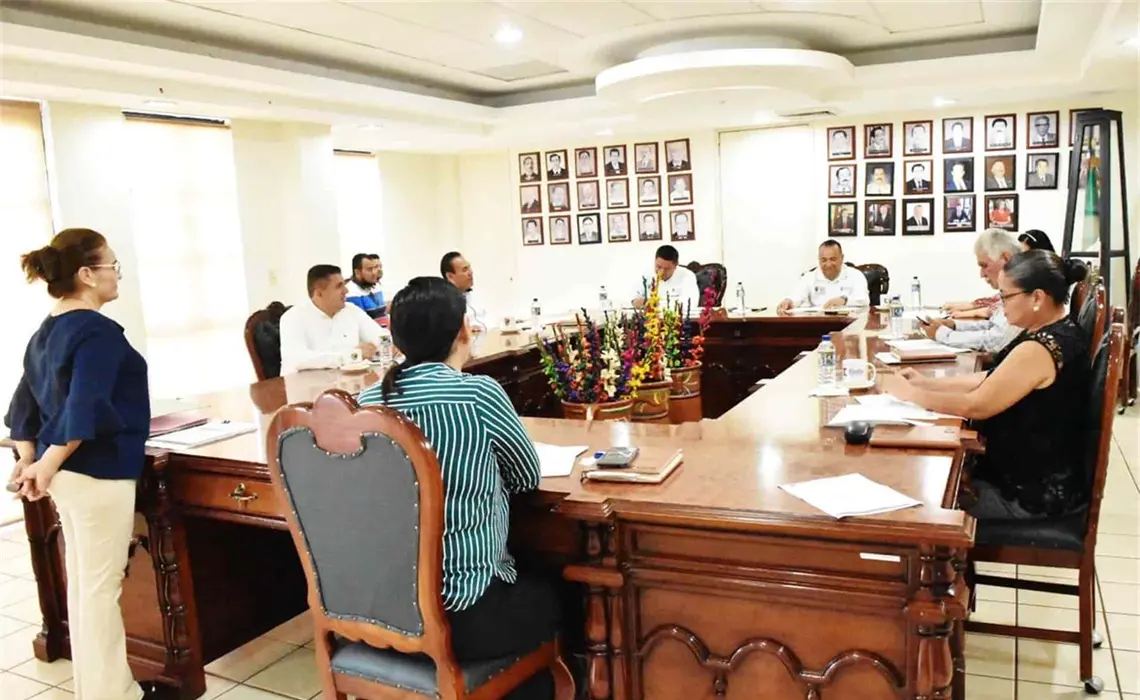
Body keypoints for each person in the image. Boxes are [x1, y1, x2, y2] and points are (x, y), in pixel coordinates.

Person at [356, 277, 558, 700]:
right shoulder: (477, 394)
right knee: (563, 595)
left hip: (379, 612)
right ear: (464, 331)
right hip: (462, 616)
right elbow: (525, 477)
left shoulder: (365, 403)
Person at [5, 228, 173, 700]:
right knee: (100, 590)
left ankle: (98, 690)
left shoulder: (47, 331)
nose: (118, 274)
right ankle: (114, 695)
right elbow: (87, 406)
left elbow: (23, 407)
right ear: (86, 274)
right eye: (112, 266)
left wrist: (30, 460)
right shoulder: (97, 332)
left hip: (69, 478)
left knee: (84, 589)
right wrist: (43, 462)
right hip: (99, 473)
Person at [882, 251, 1090, 521]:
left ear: (1037, 298)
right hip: (1034, 475)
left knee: (912, 503)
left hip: (1028, 494)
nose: (1000, 306)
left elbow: (977, 405)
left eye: (1005, 297)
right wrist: (928, 384)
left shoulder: (1039, 349)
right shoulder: (1055, 330)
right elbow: (992, 377)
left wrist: (913, 395)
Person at [921, 229, 1021, 351]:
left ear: (1006, 258)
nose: (982, 274)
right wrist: (954, 325)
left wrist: (943, 334)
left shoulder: (1022, 290)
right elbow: (994, 325)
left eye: (985, 266)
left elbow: (996, 341)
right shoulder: (1009, 290)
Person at [279, 264, 383, 373]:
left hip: (348, 380)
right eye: (339, 286)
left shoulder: (352, 311)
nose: (346, 290)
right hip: (304, 382)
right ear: (319, 293)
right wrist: (352, 356)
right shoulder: (292, 318)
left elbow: (381, 339)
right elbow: (297, 359)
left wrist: (386, 345)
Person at [777, 240, 870, 313]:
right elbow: (796, 296)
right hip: (819, 322)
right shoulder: (809, 276)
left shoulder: (856, 275)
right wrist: (788, 301)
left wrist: (844, 300)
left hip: (849, 323)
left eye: (833, 259)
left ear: (842, 258)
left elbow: (864, 300)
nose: (828, 264)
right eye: (824, 260)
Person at [631, 244, 700, 309]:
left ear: (676, 265)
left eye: (667, 269)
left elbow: (691, 303)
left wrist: (656, 304)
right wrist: (637, 302)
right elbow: (632, 299)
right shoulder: (646, 275)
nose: (661, 272)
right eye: (658, 267)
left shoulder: (687, 275)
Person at [441, 251, 488, 332]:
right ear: (450, 276)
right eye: (465, 269)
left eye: (469, 267)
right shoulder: (442, 302)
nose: (471, 272)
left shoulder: (473, 296)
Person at [345, 253, 387, 320]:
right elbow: (361, 322)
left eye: (374, 268)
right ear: (357, 272)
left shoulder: (373, 285)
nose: (374, 273)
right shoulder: (351, 293)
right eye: (369, 269)